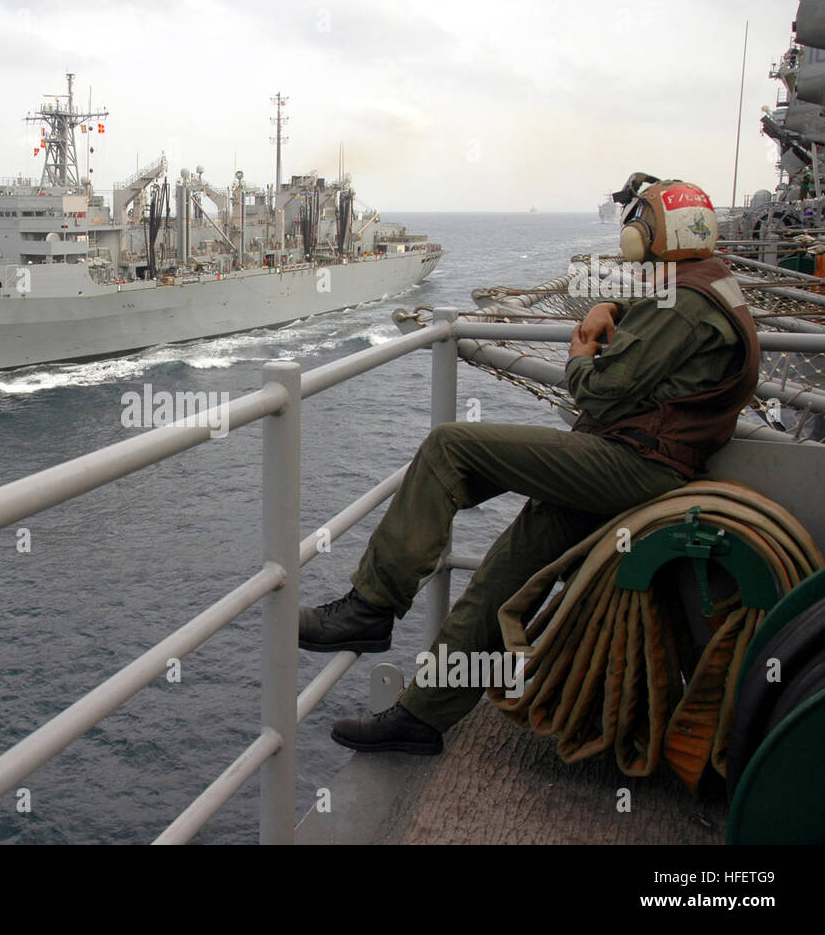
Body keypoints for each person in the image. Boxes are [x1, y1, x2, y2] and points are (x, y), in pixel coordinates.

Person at [299, 173, 761, 755]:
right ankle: (422, 716)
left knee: (450, 447)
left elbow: (598, 391)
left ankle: (371, 606)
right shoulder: (707, 281)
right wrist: (610, 304)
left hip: (633, 464)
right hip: (644, 459)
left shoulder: (687, 301)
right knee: (505, 574)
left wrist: (578, 358)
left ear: (649, 232)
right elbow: (658, 323)